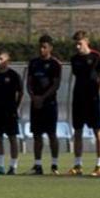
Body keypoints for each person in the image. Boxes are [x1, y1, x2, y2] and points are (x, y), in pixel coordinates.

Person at [69, 31, 100, 176]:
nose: (77, 47)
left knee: (97, 130)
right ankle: (78, 165)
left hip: (93, 99)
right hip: (78, 98)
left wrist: (96, 92)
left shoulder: (97, 57)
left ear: (86, 42)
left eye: (80, 43)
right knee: (77, 131)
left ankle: (99, 165)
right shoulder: (74, 59)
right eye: (76, 44)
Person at [25, 35, 62, 175]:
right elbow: (28, 83)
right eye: (40, 47)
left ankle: (54, 165)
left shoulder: (55, 64)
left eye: (44, 47)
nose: (41, 50)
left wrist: (43, 98)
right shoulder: (33, 63)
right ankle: (38, 165)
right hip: (36, 103)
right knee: (37, 135)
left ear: (50, 48)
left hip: (49, 104)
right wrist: (34, 97)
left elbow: (56, 84)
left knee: (52, 134)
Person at [0, 50, 23, 175]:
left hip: (10, 112)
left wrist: (16, 107)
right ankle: (0, 165)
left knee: (12, 138)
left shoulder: (13, 75)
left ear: (8, 61)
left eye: (1, 59)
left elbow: (20, 92)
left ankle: (13, 166)